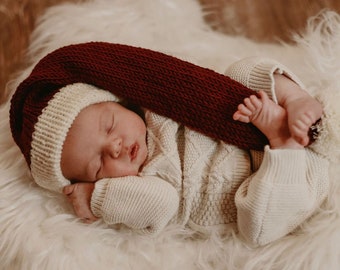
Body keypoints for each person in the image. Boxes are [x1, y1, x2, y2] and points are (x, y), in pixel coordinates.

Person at [10, 42, 330, 247]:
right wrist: (97, 198)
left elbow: (199, 83)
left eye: (108, 125)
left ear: (117, 100)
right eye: (97, 165)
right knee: (256, 227)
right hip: (274, 183)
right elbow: (160, 204)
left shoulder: (155, 106)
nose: (115, 147)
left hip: (248, 120)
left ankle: (296, 100)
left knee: (241, 72)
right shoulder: (148, 183)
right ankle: (284, 143)